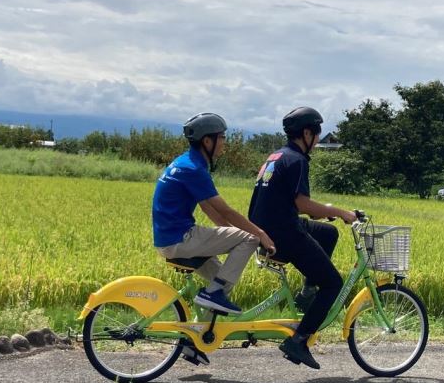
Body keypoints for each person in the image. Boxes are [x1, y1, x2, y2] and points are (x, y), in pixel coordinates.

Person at [248, 106, 358, 369]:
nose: (318, 140)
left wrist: (326, 215)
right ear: (307, 133)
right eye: (317, 133)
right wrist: (341, 212)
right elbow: (303, 204)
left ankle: (307, 292)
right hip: (283, 234)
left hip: (267, 228)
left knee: (328, 233)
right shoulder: (297, 161)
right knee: (333, 283)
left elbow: (288, 202)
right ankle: (299, 340)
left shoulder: (275, 156)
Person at [153, 113, 275, 314]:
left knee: (221, 280)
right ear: (207, 141)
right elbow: (224, 209)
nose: (224, 143)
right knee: (250, 238)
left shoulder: (186, 162)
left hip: (170, 239)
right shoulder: (193, 169)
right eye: (222, 137)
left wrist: (230, 233)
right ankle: (212, 295)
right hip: (180, 239)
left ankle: (198, 338)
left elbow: (207, 207)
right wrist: (260, 234)